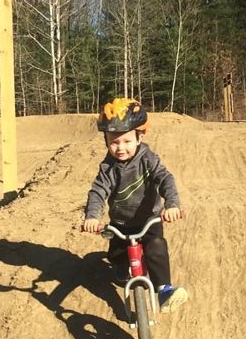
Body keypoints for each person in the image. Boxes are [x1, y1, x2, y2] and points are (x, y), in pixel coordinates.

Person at [80, 98, 188, 313]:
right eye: (114, 142)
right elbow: (98, 191)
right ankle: (121, 267)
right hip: (120, 223)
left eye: (127, 141)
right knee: (117, 259)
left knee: (156, 248)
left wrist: (172, 204)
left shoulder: (148, 159)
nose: (120, 148)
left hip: (149, 220)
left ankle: (164, 290)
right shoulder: (107, 168)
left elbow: (165, 179)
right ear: (106, 141)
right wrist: (92, 216)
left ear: (139, 137)